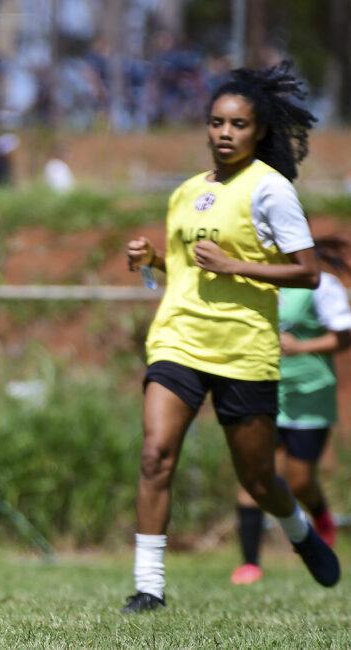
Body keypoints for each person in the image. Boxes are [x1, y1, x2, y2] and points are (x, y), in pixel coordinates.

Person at [121, 61, 337, 615]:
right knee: (154, 456)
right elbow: (190, 268)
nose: (225, 133)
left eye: (238, 125)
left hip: (243, 349)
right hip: (179, 338)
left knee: (260, 478)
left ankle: (299, 531)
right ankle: (149, 587)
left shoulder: (272, 190)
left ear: (259, 130)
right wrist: (153, 260)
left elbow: (308, 272)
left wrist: (235, 263)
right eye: (217, 122)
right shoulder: (187, 192)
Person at [231, 237, 351, 585]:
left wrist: (302, 347)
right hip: (262, 389)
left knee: (299, 480)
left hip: (309, 394)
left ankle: (321, 516)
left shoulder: (320, 285)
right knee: (254, 475)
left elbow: (344, 336)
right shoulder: (254, 280)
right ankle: (250, 562)